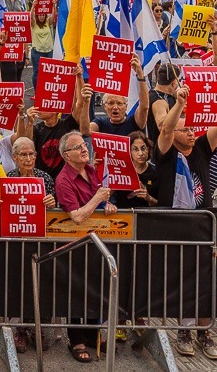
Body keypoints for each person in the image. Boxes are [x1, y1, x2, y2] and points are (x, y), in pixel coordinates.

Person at [155, 84, 217, 359]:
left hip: (203, 226)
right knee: (182, 281)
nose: (191, 133)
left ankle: (205, 331)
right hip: (174, 228)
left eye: (192, 129)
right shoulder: (166, 154)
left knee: (205, 282)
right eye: (185, 130)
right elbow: (165, 131)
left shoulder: (201, 148)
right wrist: (179, 104)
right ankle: (184, 330)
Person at [53, 130, 117, 363]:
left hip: (97, 242)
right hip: (74, 244)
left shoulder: (91, 170)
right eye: (77, 147)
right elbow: (77, 216)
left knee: (95, 288)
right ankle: (77, 339)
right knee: (75, 291)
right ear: (66, 155)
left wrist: (108, 205)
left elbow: (100, 201)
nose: (84, 149)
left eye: (83, 145)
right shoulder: (63, 180)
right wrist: (98, 199)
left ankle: (93, 334)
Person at [89, 55, 149, 136]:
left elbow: (144, 107)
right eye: (111, 103)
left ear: (126, 106)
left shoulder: (134, 122)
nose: (115, 107)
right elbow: (86, 131)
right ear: (104, 106)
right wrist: (85, 102)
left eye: (119, 103)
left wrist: (140, 75)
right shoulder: (100, 123)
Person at [110, 132, 159, 209]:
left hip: (147, 215)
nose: (140, 153)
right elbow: (106, 197)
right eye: (135, 149)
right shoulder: (120, 170)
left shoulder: (156, 172)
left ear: (148, 149)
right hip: (123, 214)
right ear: (128, 151)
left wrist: (148, 198)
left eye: (143, 148)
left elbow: (162, 204)